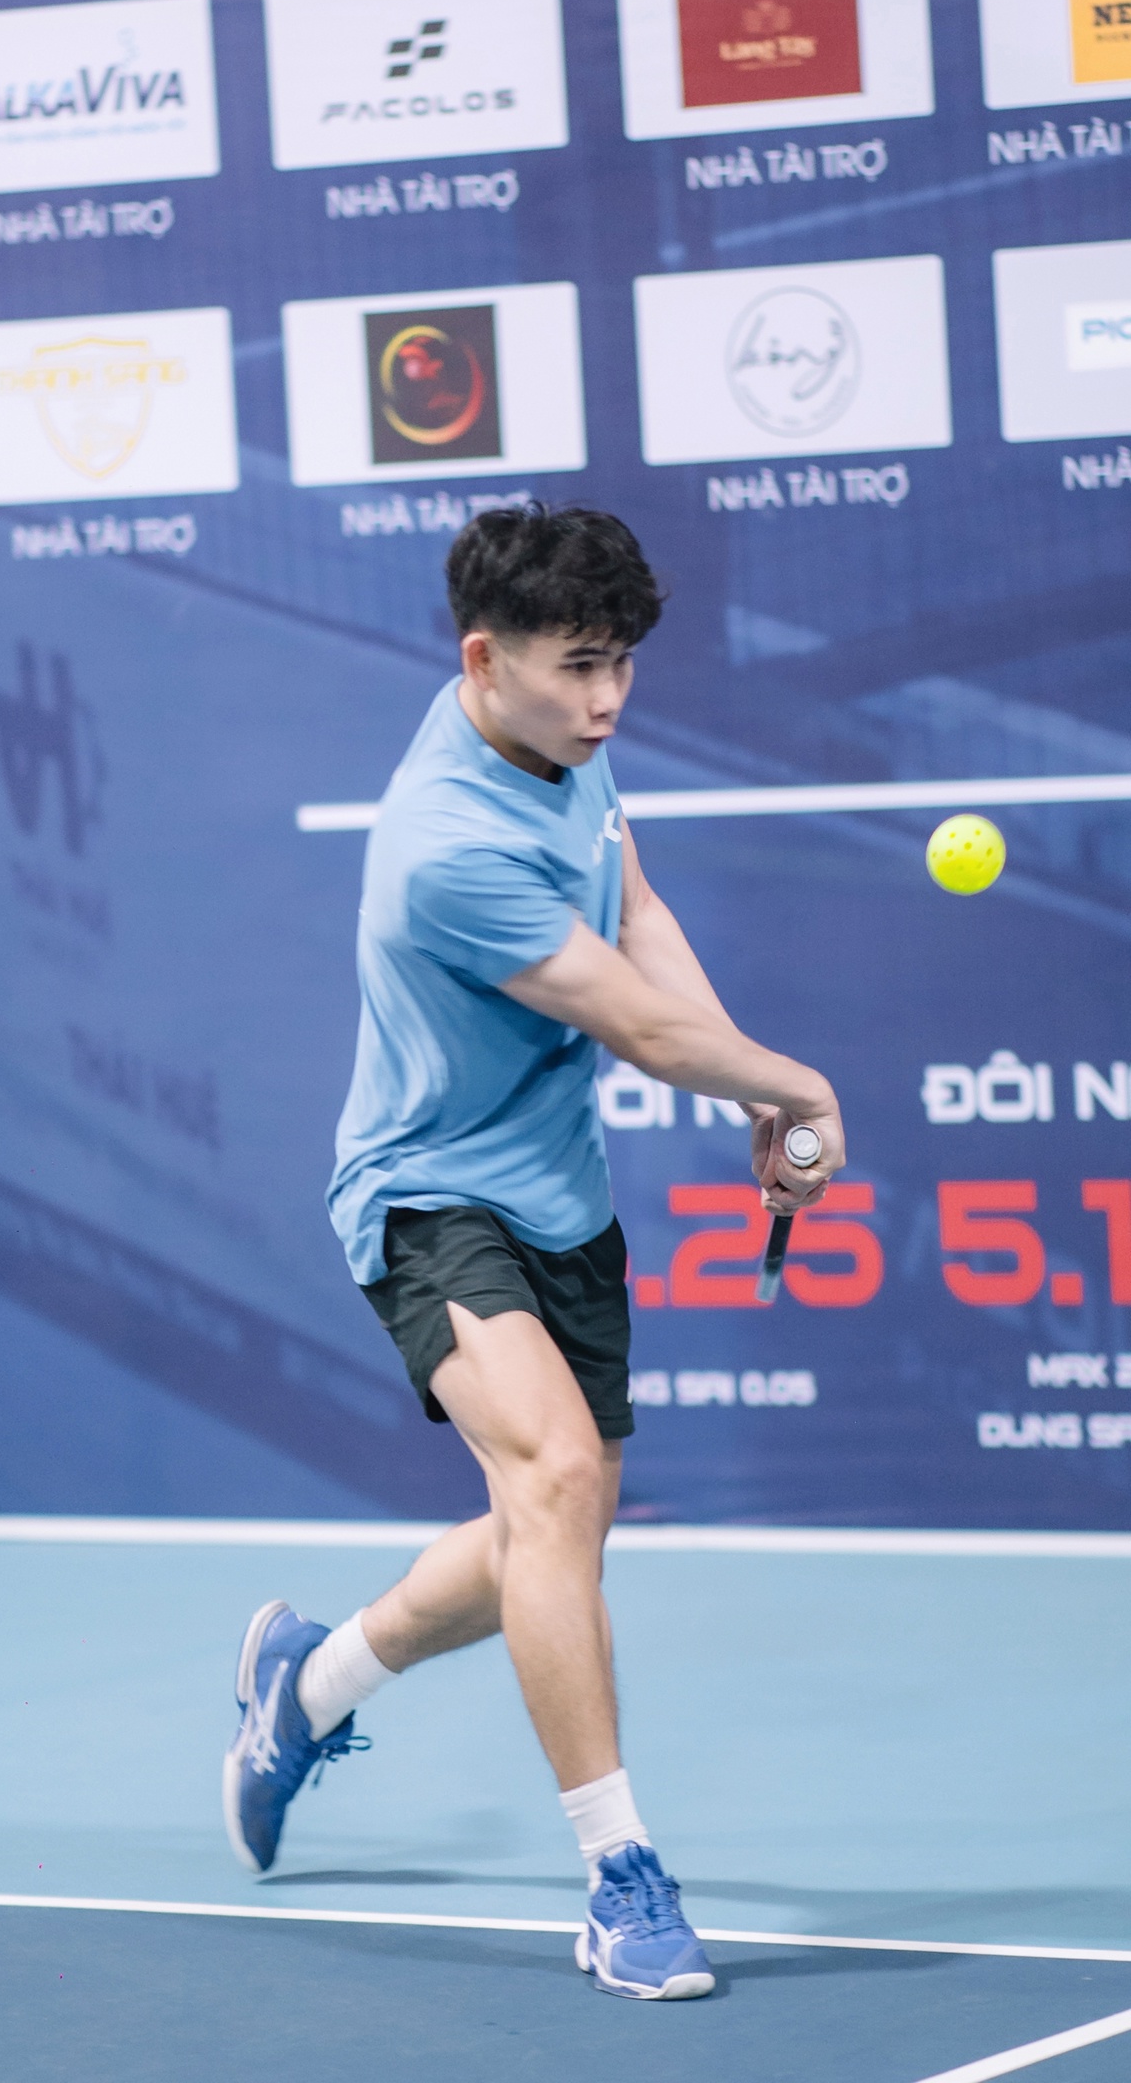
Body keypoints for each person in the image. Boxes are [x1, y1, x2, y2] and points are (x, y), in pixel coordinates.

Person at [222, 505, 844, 2003]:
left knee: (544, 1531)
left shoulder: (564, 743)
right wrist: (801, 1085)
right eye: (580, 667)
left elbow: (638, 915)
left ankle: (308, 1683)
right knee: (557, 1480)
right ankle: (622, 1880)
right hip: (426, 1197)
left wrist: (757, 1090)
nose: (610, 697)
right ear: (484, 660)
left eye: (621, 662)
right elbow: (632, 1025)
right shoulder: (445, 844)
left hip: (561, 1195)